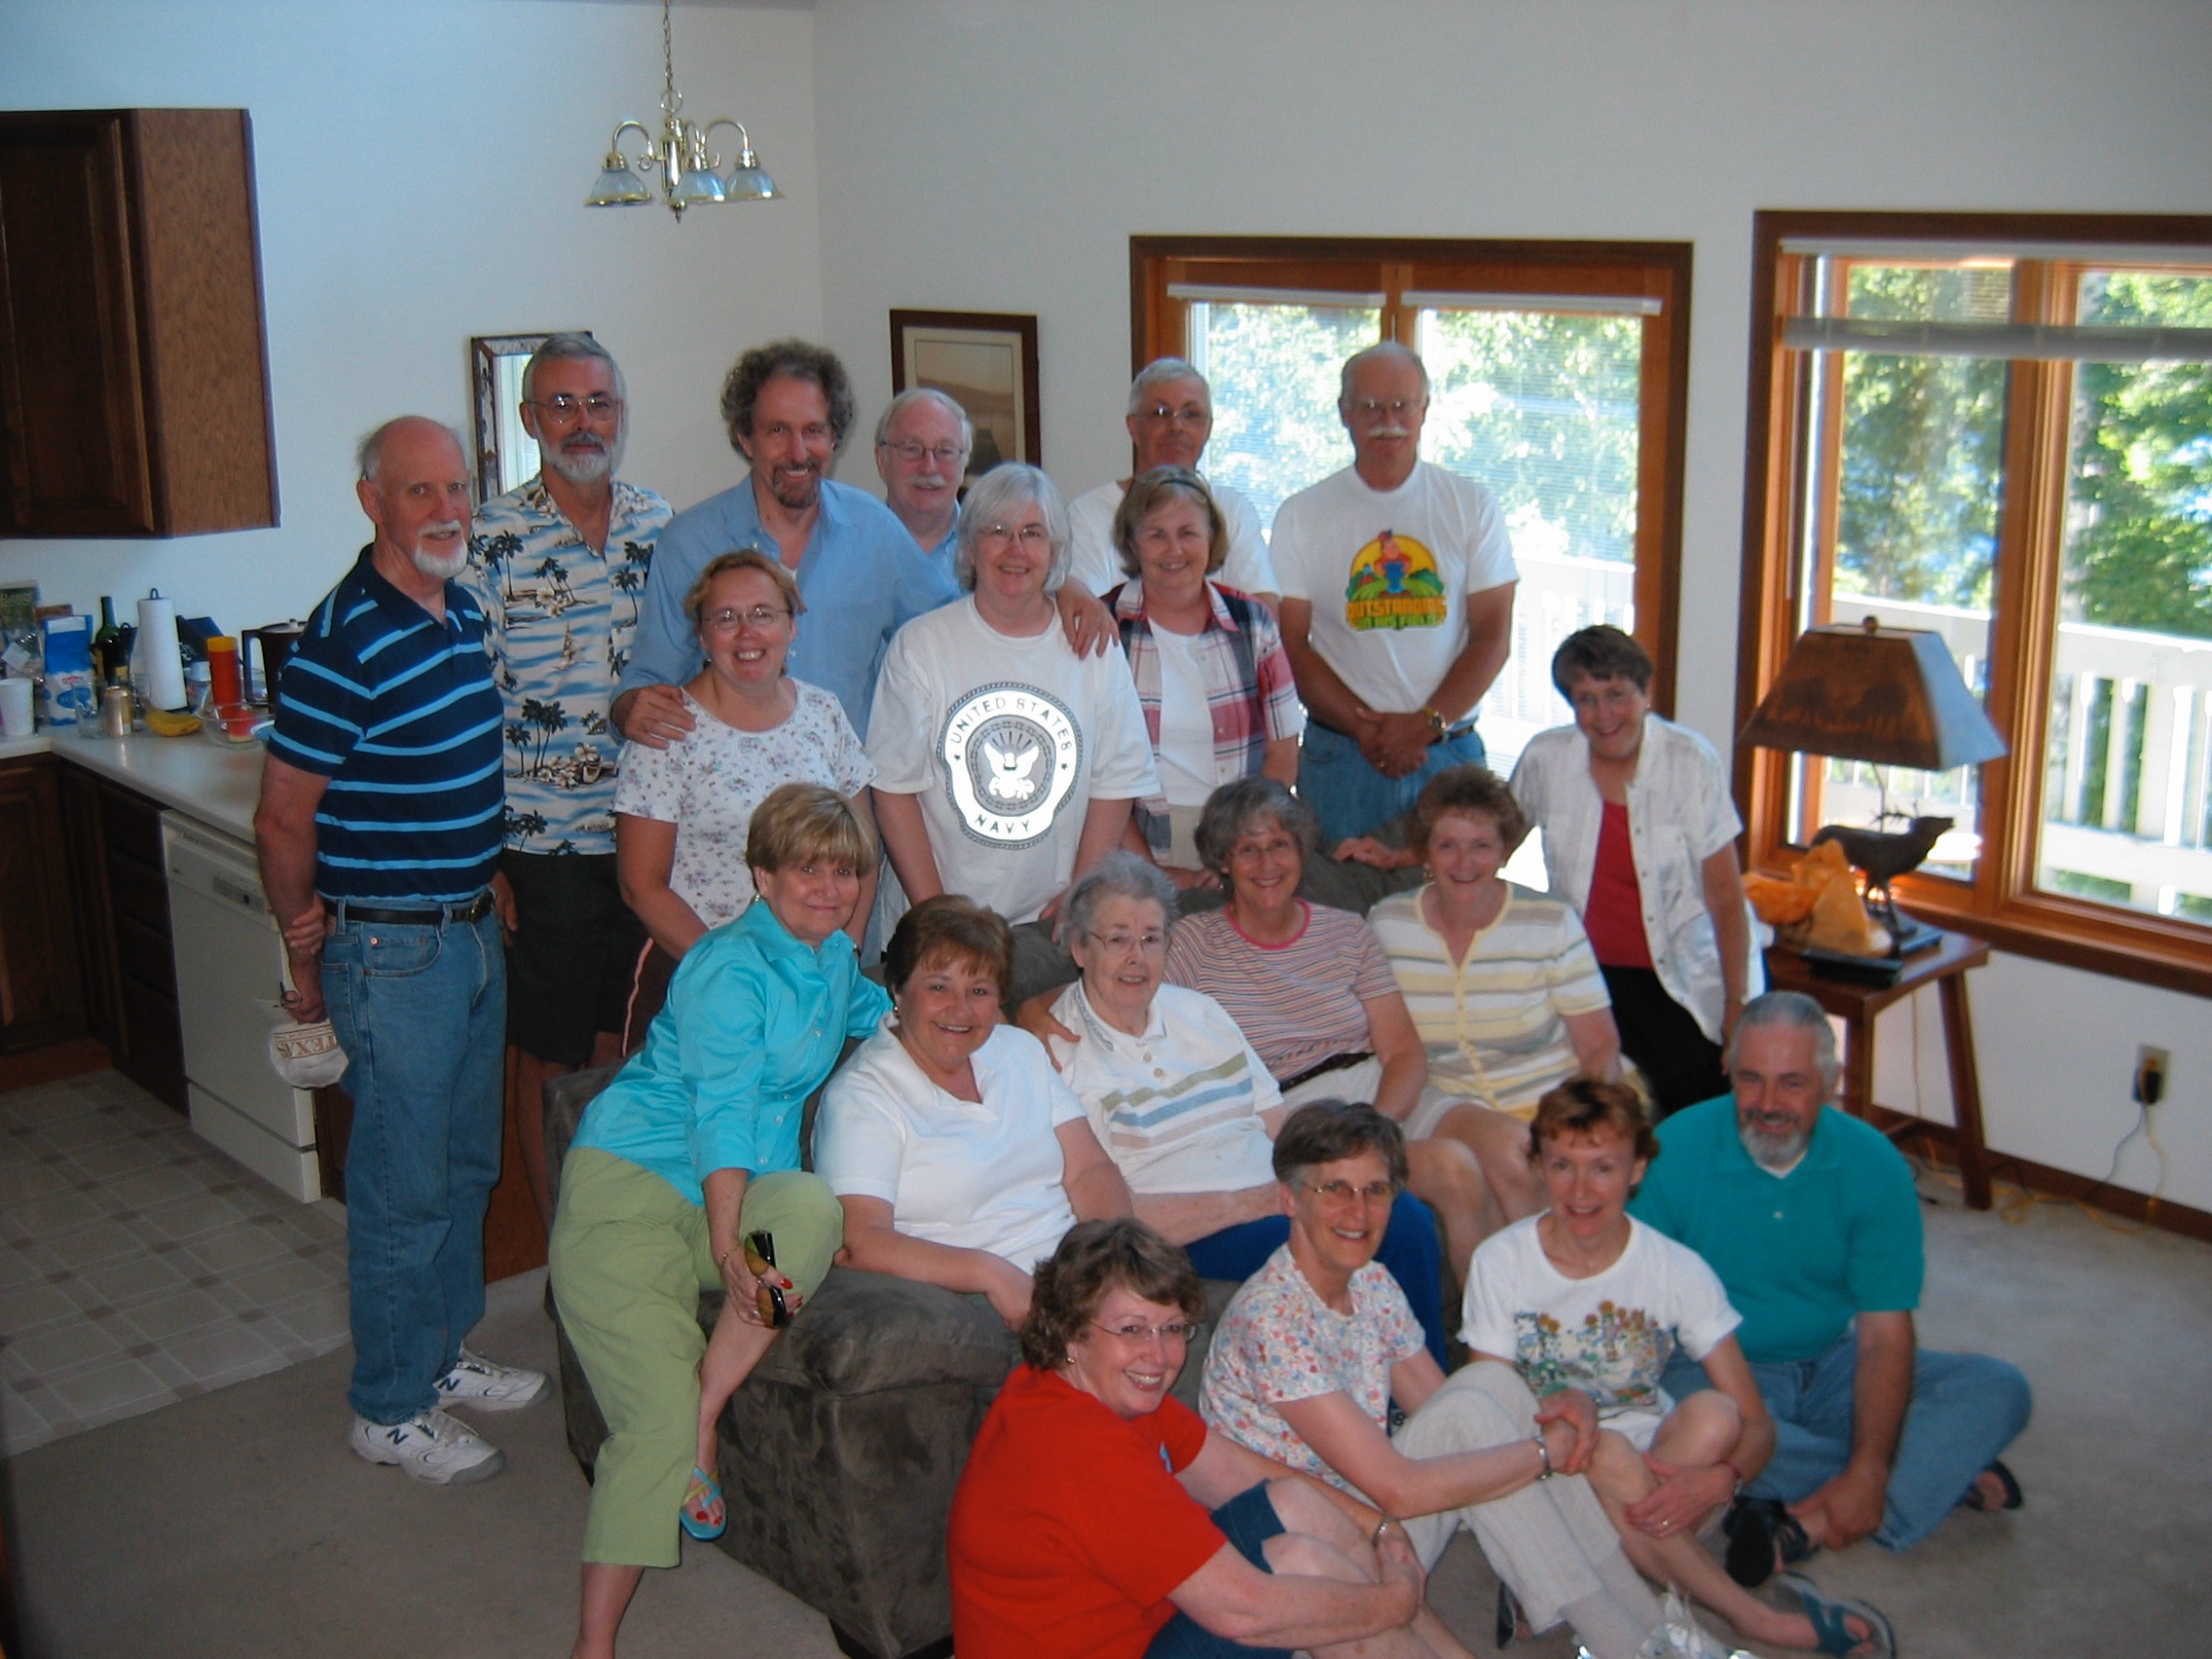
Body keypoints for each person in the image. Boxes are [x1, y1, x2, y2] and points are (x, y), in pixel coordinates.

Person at [256, 416, 545, 1485]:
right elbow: (282, 817)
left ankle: (439, 1356)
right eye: (419, 491)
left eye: (457, 488)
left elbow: (449, 766)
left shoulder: (457, 608)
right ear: (372, 501)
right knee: (401, 1188)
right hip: (388, 951)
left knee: (465, 1169)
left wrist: (485, 865)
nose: (446, 510)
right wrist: (304, 953)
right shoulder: (342, 639)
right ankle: (386, 1406)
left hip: (467, 928)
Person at [547, 785, 889, 1659]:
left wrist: (997, 1019)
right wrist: (729, 1245)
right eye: (808, 870)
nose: (830, 889)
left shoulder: (831, 961)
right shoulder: (727, 968)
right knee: (650, 1426)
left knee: (811, 1206)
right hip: (628, 1192)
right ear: (762, 877)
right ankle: (593, 1646)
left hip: (733, 1196)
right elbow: (723, 1114)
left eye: (845, 871)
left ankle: (709, 1403)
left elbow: (888, 1015)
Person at [1198, 1101, 1719, 1659]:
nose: (1358, 1210)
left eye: (1376, 1190)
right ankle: (1629, 1642)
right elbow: (1399, 1488)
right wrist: (1544, 1452)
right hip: (1306, 1556)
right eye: (1335, 1190)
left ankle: (1652, 1634)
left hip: (1372, 1519)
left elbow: (1449, 1407)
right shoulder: (1272, 1318)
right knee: (1480, 1417)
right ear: (1289, 1199)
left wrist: (1556, 1407)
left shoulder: (1371, 1283)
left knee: (1492, 1389)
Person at [1463, 1078, 1895, 1656]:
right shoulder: (1500, 1262)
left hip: (1662, 1474)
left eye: (1604, 1168)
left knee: (1717, 1415)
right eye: (1562, 1165)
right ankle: (1750, 1617)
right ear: (1538, 1165)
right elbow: (1490, 1408)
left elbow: (1757, 1424)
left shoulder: (1675, 1268)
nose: (1581, 1190)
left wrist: (1726, 1479)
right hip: (1545, 1465)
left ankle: (1564, 1571)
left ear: (1638, 1169)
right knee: (1608, 1452)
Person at [1631, 992, 2033, 1570]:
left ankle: (1810, 1515)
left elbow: (1884, 1336)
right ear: (1728, 1072)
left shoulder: (1874, 1165)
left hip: (1832, 1363)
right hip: (1716, 1371)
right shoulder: (1673, 1151)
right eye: (1750, 1080)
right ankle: (1919, 1476)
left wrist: (1870, 1467)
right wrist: (1867, 1460)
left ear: (1830, 1082)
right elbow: (1637, 1317)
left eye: (1792, 1083)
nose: (1768, 1104)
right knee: (1696, 1427)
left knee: (1999, 1387)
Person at [948, 1217, 1455, 1659]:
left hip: (1138, 1625)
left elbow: (1243, 1475)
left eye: (1172, 1329)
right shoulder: (1080, 1446)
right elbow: (1243, 1612)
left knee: (1296, 1502)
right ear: (1071, 1332)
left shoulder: (1086, 1391)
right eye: (1132, 1329)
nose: (1159, 1356)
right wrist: (1393, 1601)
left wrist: (1382, 1528)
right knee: (1298, 1565)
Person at [614, 341, 1107, 752]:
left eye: (813, 431)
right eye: (777, 431)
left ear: (835, 439)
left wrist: (1059, 586)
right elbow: (648, 680)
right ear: (745, 438)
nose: (798, 452)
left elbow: (962, 620)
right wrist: (629, 709)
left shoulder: (873, 530)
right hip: (727, 803)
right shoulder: (689, 542)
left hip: (847, 808)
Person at [1041, 853, 1445, 1342]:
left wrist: (1330, 1183)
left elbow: (1282, 1134)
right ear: (1080, 948)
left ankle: (1423, 1387)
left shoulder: (1202, 1013)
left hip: (1274, 1200)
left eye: (1151, 939)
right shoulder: (1055, 1055)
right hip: (1190, 1233)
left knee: (1405, 1216)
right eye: (1117, 939)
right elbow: (1100, 1210)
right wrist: (1252, 1203)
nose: (1136, 957)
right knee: (1330, 1242)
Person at [1158, 778, 1493, 1330]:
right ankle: (1474, 1343)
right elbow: (1115, 988)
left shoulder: (1347, 931)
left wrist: (1378, 1125)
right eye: (1248, 849)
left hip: (1378, 1090)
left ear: (1301, 851)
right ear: (1223, 861)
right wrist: (1035, 1008)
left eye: (1279, 845)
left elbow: (1404, 1052)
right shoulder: (1192, 944)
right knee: (1452, 1168)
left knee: (1504, 1147)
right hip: (1292, 1110)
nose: (1267, 863)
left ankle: (1518, 1328)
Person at [464, 333, 668, 1226]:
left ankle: (613, 1236)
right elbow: (466, 710)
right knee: (547, 1054)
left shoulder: (662, 527)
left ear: (620, 414)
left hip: (648, 839)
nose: (582, 422)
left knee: (623, 1045)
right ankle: (559, 1247)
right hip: (540, 845)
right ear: (528, 418)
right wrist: (485, 859)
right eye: (561, 404)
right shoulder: (490, 540)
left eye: (598, 404)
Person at [866, 463, 1160, 1004]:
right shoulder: (922, 646)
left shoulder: (1093, 647)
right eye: (997, 531)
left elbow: (1115, 780)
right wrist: (936, 916)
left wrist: (1081, 892)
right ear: (969, 547)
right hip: (935, 919)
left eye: (1033, 533)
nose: (1015, 549)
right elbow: (893, 788)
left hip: (1046, 928)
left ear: (1056, 550)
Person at [816, 895, 1133, 1327]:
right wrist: (989, 1273)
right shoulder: (862, 1095)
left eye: (979, 991)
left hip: (1075, 1275)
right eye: (938, 987)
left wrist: (1110, 1261)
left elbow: (1089, 1169)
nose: (960, 1009)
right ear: (898, 990)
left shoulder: (1019, 1050)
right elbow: (862, 1241)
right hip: (982, 1303)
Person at [612, 550, 874, 1038]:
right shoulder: (666, 731)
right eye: (726, 618)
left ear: (791, 627)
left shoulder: (824, 714)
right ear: (702, 635)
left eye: (762, 614)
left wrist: (843, 957)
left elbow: (862, 855)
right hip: (700, 978)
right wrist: (739, 977)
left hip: (813, 979)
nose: (747, 633)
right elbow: (641, 886)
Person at [1271, 342, 1519, 846]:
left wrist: (1426, 724)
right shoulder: (1302, 513)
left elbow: (1493, 636)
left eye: (1402, 405)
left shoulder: (1472, 505)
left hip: (1448, 754)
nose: (1389, 421)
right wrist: (1367, 732)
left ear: (1424, 409)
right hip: (1341, 760)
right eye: (1370, 407)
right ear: (1344, 413)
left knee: (1454, 896)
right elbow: (1289, 645)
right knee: (1336, 897)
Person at [1508, 625, 1760, 1117]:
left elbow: (1726, 899)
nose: (1603, 715)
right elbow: (1491, 837)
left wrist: (1737, 1005)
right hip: (1583, 971)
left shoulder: (1690, 762)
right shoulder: (1547, 757)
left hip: (1677, 974)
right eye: (1586, 699)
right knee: (1574, 1100)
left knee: (1694, 1096)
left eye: (1617, 695)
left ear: (1646, 694)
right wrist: (1414, 855)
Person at [1366, 766, 1623, 1231]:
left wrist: (1576, 1124)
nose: (1464, 863)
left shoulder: (1550, 922)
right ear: (1425, 851)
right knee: (1506, 1157)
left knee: (1524, 1159)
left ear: (1504, 850)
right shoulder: (1388, 925)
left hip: (1551, 1101)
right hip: (1447, 1107)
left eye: (1481, 846)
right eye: (1447, 846)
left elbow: (1599, 1047)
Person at [1103, 466, 1302, 890]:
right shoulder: (1105, 627)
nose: (1174, 549)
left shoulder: (1254, 624)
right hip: (1133, 839)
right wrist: (1152, 872)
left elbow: (1283, 755)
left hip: (1242, 837)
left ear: (1211, 538)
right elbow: (1093, 774)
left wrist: (1241, 851)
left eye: (1188, 533)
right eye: (1156, 534)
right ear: (1132, 543)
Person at [1066, 357, 1279, 606]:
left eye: (1191, 414)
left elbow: (1262, 612)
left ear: (1208, 428)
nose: (1176, 426)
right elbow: (1089, 615)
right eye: (1160, 413)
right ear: (1133, 427)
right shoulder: (1088, 514)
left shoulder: (1233, 509)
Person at [873, 386, 970, 572]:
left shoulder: (992, 552)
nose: (929, 468)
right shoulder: (847, 550)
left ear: (963, 465)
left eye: (945, 451)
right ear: (882, 461)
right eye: (912, 449)